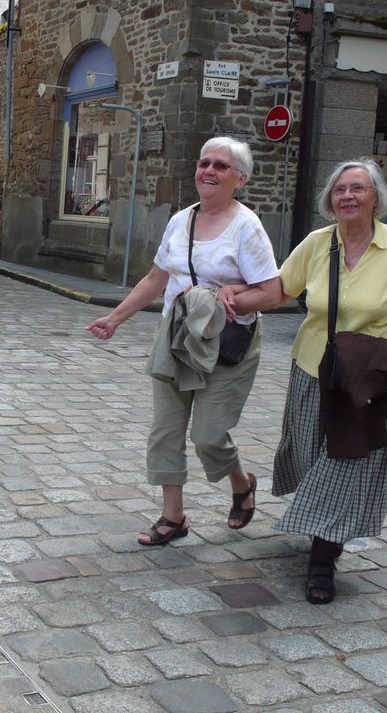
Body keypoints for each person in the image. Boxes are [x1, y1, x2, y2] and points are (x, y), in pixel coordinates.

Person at [227, 157, 387, 605]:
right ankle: (325, 526)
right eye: (340, 189)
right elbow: (280, 291)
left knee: (346, 462)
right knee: (311, 455)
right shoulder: (316, 244)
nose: (348, 196)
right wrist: (231, 296)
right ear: (330, 199)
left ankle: (323, 562)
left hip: (370, 377)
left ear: (375, 198)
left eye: (358, 188)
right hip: (313, 368)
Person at [87, 137, 280, 546]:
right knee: (166, 431)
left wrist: (233, 294)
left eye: (221, 166)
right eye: (204, 162)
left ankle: (241, 482)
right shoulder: (181, 220)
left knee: (209, 436)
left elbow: (274, 292)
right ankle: (173, 517)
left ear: (240, 179)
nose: (209, 171)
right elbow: (157, 278)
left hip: (227, 342)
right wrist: (116, 318)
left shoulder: (248, 227)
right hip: (176, 338)